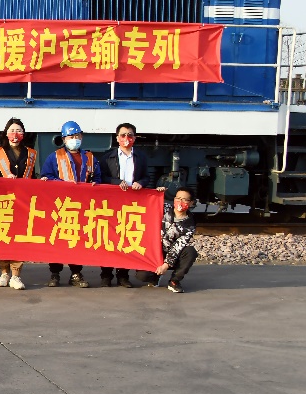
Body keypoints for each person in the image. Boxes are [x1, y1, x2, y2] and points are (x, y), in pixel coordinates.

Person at [40, 120, 102, 288]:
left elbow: (97, 178)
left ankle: (76, 273)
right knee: (57, 239)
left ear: (81, 136)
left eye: (77, 136)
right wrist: (62, 184)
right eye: (70, 137)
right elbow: (46, 177)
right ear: (64, 139)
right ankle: (55, 273)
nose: (74, 139)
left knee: (77, 240)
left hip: (81, 207)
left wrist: (95, 184)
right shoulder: (55, 157)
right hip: (60, 206)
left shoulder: (90, 158)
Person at [98, 122, 152, 288]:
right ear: (117, 138)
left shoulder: (141, 157)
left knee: (125, 239)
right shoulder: (108, 157)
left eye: (129, 135)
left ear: (134, 138)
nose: (126, 138)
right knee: (108, 238)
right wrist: (116, 182)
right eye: (123, 135)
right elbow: (102, 177)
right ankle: (106, 275)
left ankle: (123, 276)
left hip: (131, 204)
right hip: (112, 203)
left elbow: (147, 177)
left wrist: (140, 183)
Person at [0, 117, 37, 290]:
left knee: (19, 237)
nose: (15, 134)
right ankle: (4, 272)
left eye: (19, 131)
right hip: (3, 200)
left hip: (22, 201)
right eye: (12, 131)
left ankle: (16, 274)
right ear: (6, 133)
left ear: (24, 134)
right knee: (3, 235)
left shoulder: (31, 153)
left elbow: (34, 176)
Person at [147, 189, 199, 293]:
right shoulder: (165, 209)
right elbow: (149, 203)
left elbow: (178, 246)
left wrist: (165, 265)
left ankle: (174, 280)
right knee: (143, 276)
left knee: (190, 252)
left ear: (191, 202)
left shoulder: (190, 224)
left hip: (173, 254)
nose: (180, 202)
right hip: (155, 251)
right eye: (178, 198)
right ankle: (155, 276)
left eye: (184, 200)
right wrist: (157, 193)